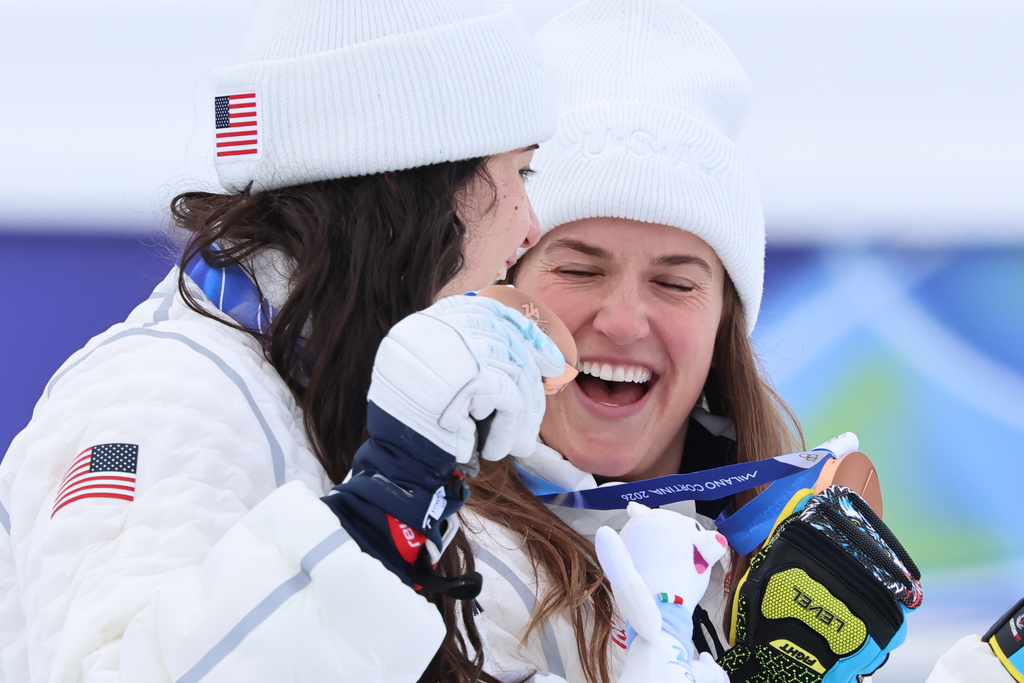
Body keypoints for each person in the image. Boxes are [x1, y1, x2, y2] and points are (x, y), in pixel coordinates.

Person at [0, 0, 564, 681]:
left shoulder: (340, 390)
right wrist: (383, 516)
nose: (531, 225)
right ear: (403, 173)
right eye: (518, 173)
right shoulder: (160, 395)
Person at [454, 1, 919, 682]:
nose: (622, 319)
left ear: (722, 324)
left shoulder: (778, 589)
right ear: (504, 284)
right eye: (581, 268)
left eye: (674, 283)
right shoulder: (430, 550)